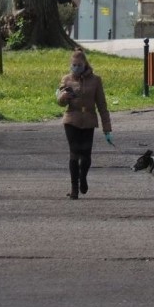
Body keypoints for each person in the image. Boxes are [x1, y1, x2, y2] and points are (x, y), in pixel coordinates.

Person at [56, 47, 113, 199]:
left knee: (86, 155)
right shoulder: (66, 79)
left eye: (79, 65)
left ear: (85, 64)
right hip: (71, 120)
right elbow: (60, 102)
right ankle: (74, 189)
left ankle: (83, 177)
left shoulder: (96, 80)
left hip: (88, 120)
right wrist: (63, 97)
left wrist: (107, 128)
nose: (76, 68)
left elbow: (102, 105)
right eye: (73, 65)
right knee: (74, 152)